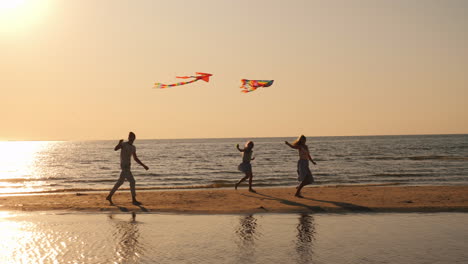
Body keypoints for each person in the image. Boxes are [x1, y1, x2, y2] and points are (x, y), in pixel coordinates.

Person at [106, 132, 149, 205]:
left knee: (120, 182)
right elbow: (115, 149)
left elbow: (135, 158)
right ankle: (134, 200)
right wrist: (119, 143)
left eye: (132, 137)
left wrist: (143, 165)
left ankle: (109, 196)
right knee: (132, 181)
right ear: (128, 138)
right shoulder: (124, 144)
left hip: (128, 167)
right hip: (124, 166)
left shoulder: (133, 147)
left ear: (134, 138)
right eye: (130, 137)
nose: (131, 138)